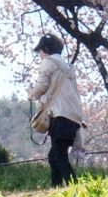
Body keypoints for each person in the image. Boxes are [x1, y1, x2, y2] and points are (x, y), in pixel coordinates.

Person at [28, 35, 87, 187]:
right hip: (73, 116)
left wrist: (32, 94)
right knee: (55, 154)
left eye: (40, 51)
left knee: (58, 155)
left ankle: (74, 187)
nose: (40, 55)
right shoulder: (68, 68)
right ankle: (56, 187)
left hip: (60, 115)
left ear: (46, 49)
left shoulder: (48, 62)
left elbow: (42, 85)